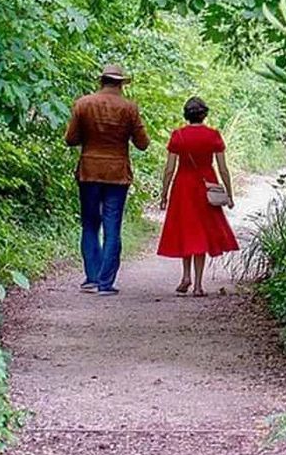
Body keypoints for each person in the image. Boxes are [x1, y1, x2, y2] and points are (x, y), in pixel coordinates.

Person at [65, 63, 149, 295]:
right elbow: (142, 144)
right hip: (117, 174)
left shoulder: (83, 104)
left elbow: (71, 139)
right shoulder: (129, 108)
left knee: (90, 224)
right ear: (121, 83)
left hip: (89, 171)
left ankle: (92, 277)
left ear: (101, 81)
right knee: (113, 227)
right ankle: (105, 283)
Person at [157, 96, 238, 296]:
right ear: (204, 114)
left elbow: (169, 169)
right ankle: (199, 285)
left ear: (186, 115)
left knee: (187, 229)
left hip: (183, 186)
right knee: (201, 232)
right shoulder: (213, 135)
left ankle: (186, 276)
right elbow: (223, 168)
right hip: (205, 186)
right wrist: (228, 193)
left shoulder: (178, 136)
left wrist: (164, 193)